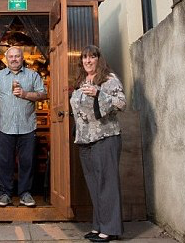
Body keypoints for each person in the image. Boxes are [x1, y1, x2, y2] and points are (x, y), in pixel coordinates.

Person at [70, 45, 127, 242]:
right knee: (94, 185)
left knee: (107, 184)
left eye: (92, 57)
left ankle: (110, 229)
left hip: (105, 137)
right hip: (85, 139)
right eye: (84, 58)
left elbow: (121, 103)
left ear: (98, 59)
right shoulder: (81, 81)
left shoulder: (108, 79)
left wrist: (98, 94)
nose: (88, 61)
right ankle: (99, 226)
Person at [0, 46, 47, 207]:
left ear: (22, 58)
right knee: (5, 162)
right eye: (11, 56)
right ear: (6, 59)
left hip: (28, 126)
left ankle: (25, 193)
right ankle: (5, 194)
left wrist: (25, 94)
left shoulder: (33, 75)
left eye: (17, 56)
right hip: (5, 126)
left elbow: (43, 94)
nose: (14, 59)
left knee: (27, 162)